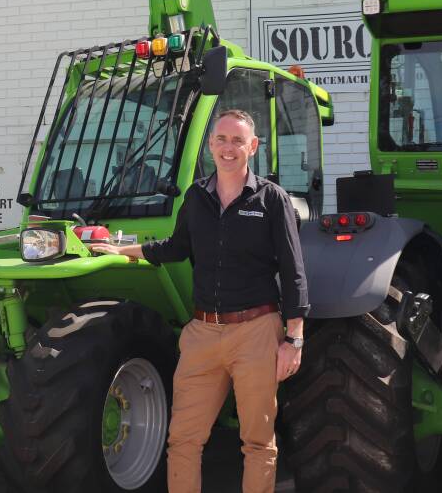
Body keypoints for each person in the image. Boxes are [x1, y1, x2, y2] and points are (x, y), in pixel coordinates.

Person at [90, 108, 308, 493]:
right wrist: (123, 251)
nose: (228, 148)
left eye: (237, 140)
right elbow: (175, 248)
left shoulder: (271, 199)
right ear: (210, 146)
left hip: (256, 332)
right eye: (221, 139)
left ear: (252, 147)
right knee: (183, 440)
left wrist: (294, 340)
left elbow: (293, 272)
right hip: (202, 334)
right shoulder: (195, 197)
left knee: (257, 442)